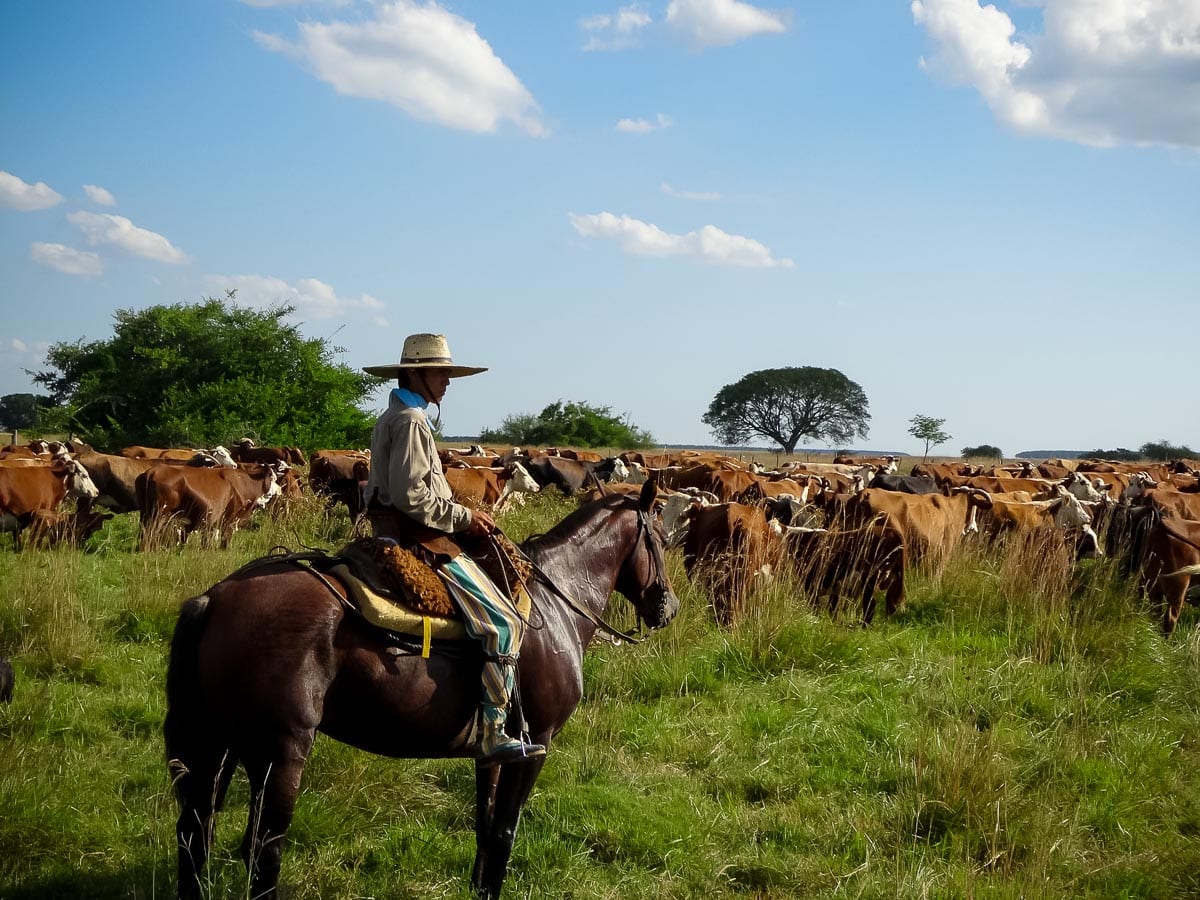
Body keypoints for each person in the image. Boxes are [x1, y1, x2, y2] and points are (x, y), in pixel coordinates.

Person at [362, 333, 545, 764]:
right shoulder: (409, 421)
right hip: (419, 539)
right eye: (441, 373)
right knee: (503, 623)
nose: (447, 381)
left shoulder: (401, 415)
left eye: (448, 373)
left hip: (402, 529)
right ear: (416, 374)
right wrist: (466, 518)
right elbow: (412, 497)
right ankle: (493, 730)